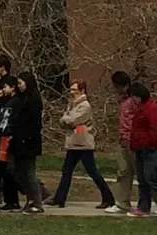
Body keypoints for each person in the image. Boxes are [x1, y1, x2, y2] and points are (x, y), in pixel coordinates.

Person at [50, 80, 118, 210]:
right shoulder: (72, 105)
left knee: (92, 171)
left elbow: (74, 121)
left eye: (74, 90)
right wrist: (66, 119)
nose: (72, 92)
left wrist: (67, 119)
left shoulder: (85, 106)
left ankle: (108, 198)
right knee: (66, 171)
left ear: (82, 90)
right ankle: (59, 198)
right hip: (73, 143)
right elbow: (63, 119)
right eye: (71, 90)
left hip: (83, 144)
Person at [11, 70, 47, 213]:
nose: (18, 86)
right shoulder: (19, 100)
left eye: (21, 83)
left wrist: (27, 137)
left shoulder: (33, 100)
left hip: (29, 142)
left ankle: (37, 201)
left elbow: (35, 124)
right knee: (14, 169)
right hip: (17, 140)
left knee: (29, 171)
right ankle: (30, 197)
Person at [0, 75, 22, 211]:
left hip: (8, 138)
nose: (3, 90)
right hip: (0, 137)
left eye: (5, 87)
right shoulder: (5, 101)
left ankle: (14, 199)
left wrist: (10, 133)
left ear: (12, 88)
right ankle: (9, 199)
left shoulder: (15, 102)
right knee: (3, 170)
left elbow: (10, 119)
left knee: (10, 171)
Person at [130, 81, 157, 217]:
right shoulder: (139, 110)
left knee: (151, 178)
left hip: (150, 149)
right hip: (139, 149)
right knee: (142, 180)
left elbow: (154, 130)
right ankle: (143, 207)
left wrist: (146, 143)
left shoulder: (151, 109)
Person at [113, 70, 137, 214]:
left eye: (118, 87)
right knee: (123, 172)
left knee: (142, 174)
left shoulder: (134, 101)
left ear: (126, 86)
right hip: (123, 140)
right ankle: (123, 203)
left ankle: (146, 202)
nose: (117, 90)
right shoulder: (122, 101)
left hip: (133, 141)